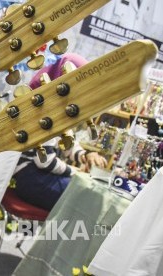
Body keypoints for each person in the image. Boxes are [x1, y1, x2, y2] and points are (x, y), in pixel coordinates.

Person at [12, 53, 107, 211]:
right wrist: (75, 172)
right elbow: (45, 161)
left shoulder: (60, 110)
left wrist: (84, 156)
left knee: (88, 195)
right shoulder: (42, 110)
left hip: (39, 176)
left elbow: (67, 141)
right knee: (85, 199)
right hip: (30, 178)